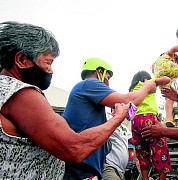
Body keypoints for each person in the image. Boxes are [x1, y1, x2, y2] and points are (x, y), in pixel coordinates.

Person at [0, 21, 131, 179]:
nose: (50, 70)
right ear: (21, 59)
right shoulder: (21, 93)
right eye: (48, 62)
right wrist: (117, 118)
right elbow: (74, 148)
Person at [63, 57, 157, 180]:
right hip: (82, 170)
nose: (108, 83)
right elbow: (130, 100)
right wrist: (147, 87)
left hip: (86, 169)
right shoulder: (89, 83)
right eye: (107, 77)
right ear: (99, 72)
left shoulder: (87, 94)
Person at [128, 70, 172, 180]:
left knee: (141, 151)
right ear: (145, 79)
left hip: (135, 123)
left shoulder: (132, 90)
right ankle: (162, 178)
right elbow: (167, 79)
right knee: (160, 148)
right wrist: (155, 81)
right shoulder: (147, 83)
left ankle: (145, 178)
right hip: (148, 118)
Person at [102, 110, 132, 180]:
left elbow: (134, 141)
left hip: (121, 170)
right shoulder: (107, 117)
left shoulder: (124, 128)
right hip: (109, 166)